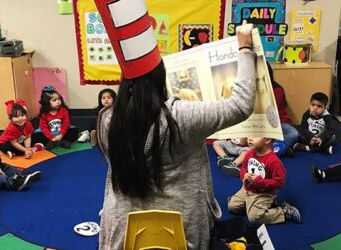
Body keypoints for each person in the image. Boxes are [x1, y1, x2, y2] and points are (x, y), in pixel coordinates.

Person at [95, 1, 255, 246]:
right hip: (182, 233)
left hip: (121, 234)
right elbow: (241, 104)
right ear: (160, 78)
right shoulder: (181, 116)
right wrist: (244, 48)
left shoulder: (107, 119)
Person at [227, 137, 302, 225]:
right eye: (250, 135)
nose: (250, 139)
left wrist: (258, 181)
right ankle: (254, 207)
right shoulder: (249, 153)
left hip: (263, 193)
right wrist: (245, 174)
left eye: (255, 136)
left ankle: (283, 212)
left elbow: (279, 182)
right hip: (247, 189)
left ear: (267, 140)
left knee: (254, 218)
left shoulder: (273, 161)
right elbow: (243, 168)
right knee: (232, 207)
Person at [32, 86, 79, 150]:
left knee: (74, 130)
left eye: (59, 99)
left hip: (61, 133)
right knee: (34, 136)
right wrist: (51, 138)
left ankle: (65, 141)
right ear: (47, 102)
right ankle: (52, 142)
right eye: (54, 100)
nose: (58, 102)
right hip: (49, 134)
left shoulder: (64, 111)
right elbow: (44, 128)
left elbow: (66, 124)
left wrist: (61, 135)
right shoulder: (44, 114)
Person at [267, 62, 298, 157]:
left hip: (277, 122)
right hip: (258, 123)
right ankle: (283, 148)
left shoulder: (276, 90)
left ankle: (274, 149)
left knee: (294, 134)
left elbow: (270, 111)